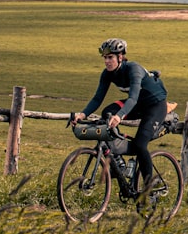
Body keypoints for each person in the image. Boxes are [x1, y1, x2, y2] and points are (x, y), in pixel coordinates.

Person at [69, 38, 168, 189]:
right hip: (138, 104)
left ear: (120, 57)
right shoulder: (107, 74)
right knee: (107, 113)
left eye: (110, 58)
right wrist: (82, 115)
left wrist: (119, 115)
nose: (107, 61)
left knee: (140, 145)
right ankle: (118, 160)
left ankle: (149, 184)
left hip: (155, 105)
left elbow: (133, 98)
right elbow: (97, 98)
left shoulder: (133, 69)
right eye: (105, 58)